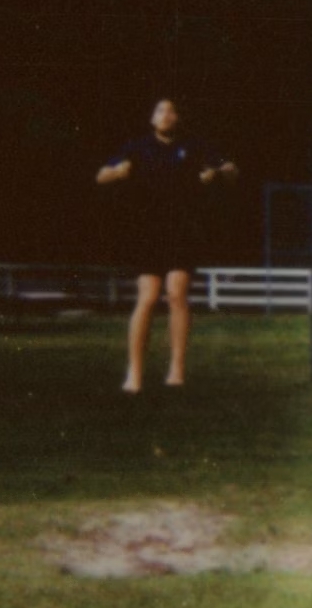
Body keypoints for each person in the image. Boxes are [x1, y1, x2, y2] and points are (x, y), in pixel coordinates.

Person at [94, 97, 236, 391]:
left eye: (171, 110)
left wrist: (217, 173)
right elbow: (101, 176)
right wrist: (118, 172)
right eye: (160, 110)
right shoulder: (137, 147)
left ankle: (177, 369)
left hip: (182, 230)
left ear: (178, 118)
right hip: (147, 231)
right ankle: (134, 373)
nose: (166, 114)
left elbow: (232, 169)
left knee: (176, 293)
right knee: (147, 298)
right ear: (152, 118)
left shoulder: (194, 147)